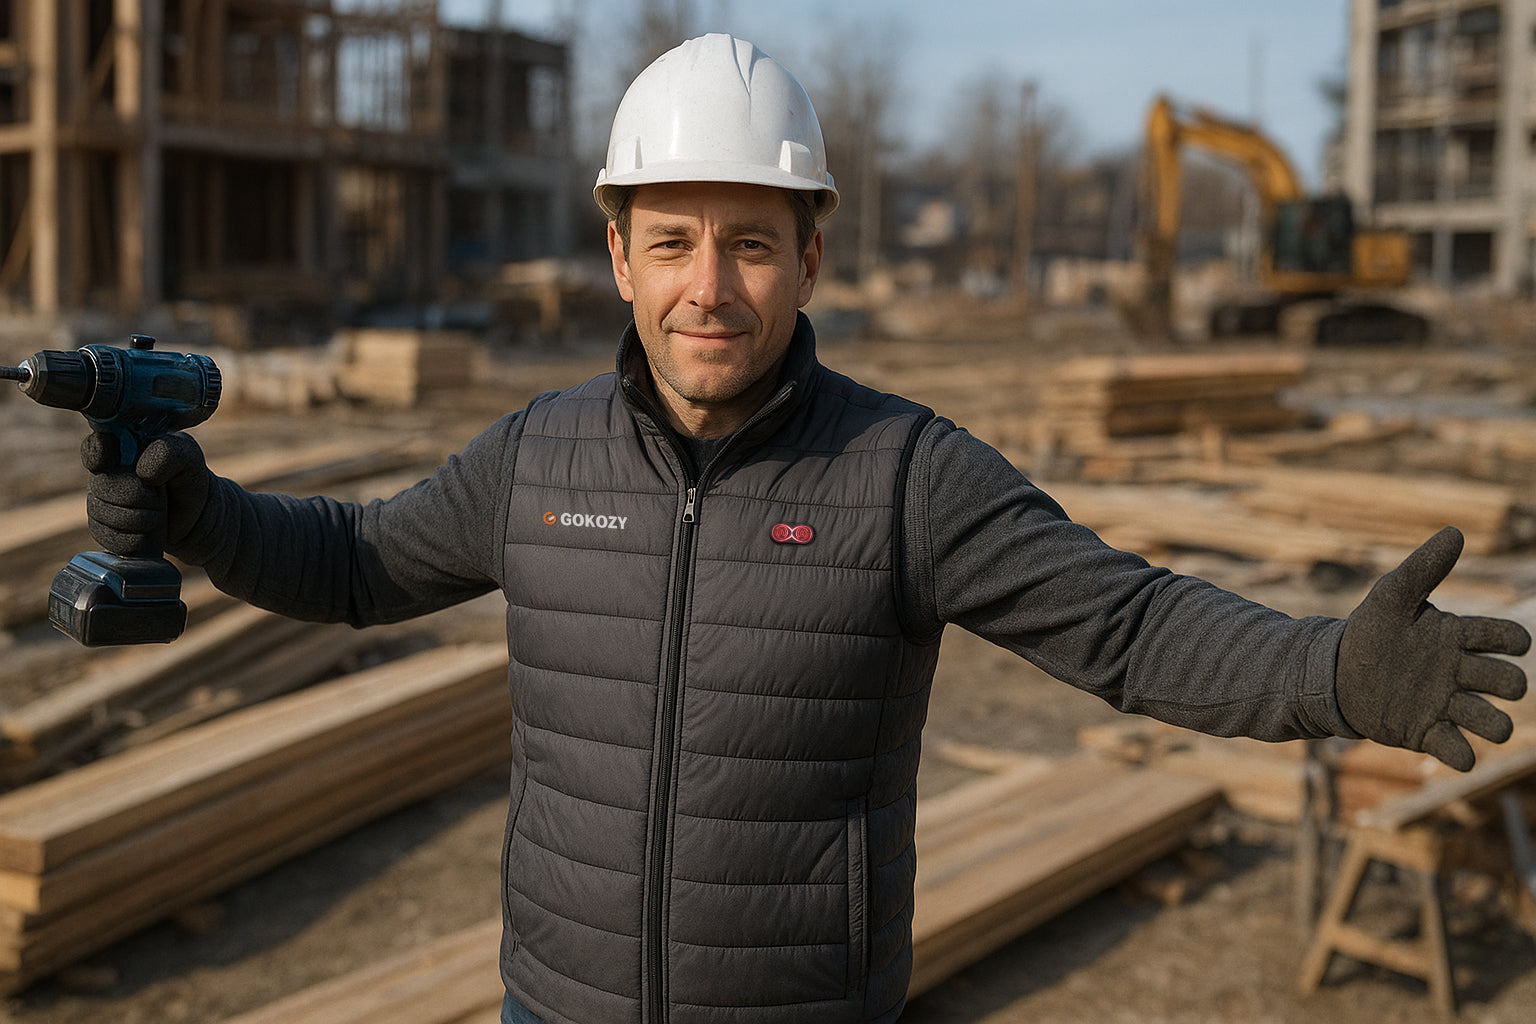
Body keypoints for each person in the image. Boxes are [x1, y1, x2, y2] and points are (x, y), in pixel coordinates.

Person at [82, 33, 1528, 1024]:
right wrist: (197, 509)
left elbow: (1130, 626)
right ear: (618, 252)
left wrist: (1327, 673)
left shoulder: (904, 475)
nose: (710, 286)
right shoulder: (537, 457)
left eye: (751, 241)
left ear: (810, 253)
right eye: (674, 241)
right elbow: (351, 565)